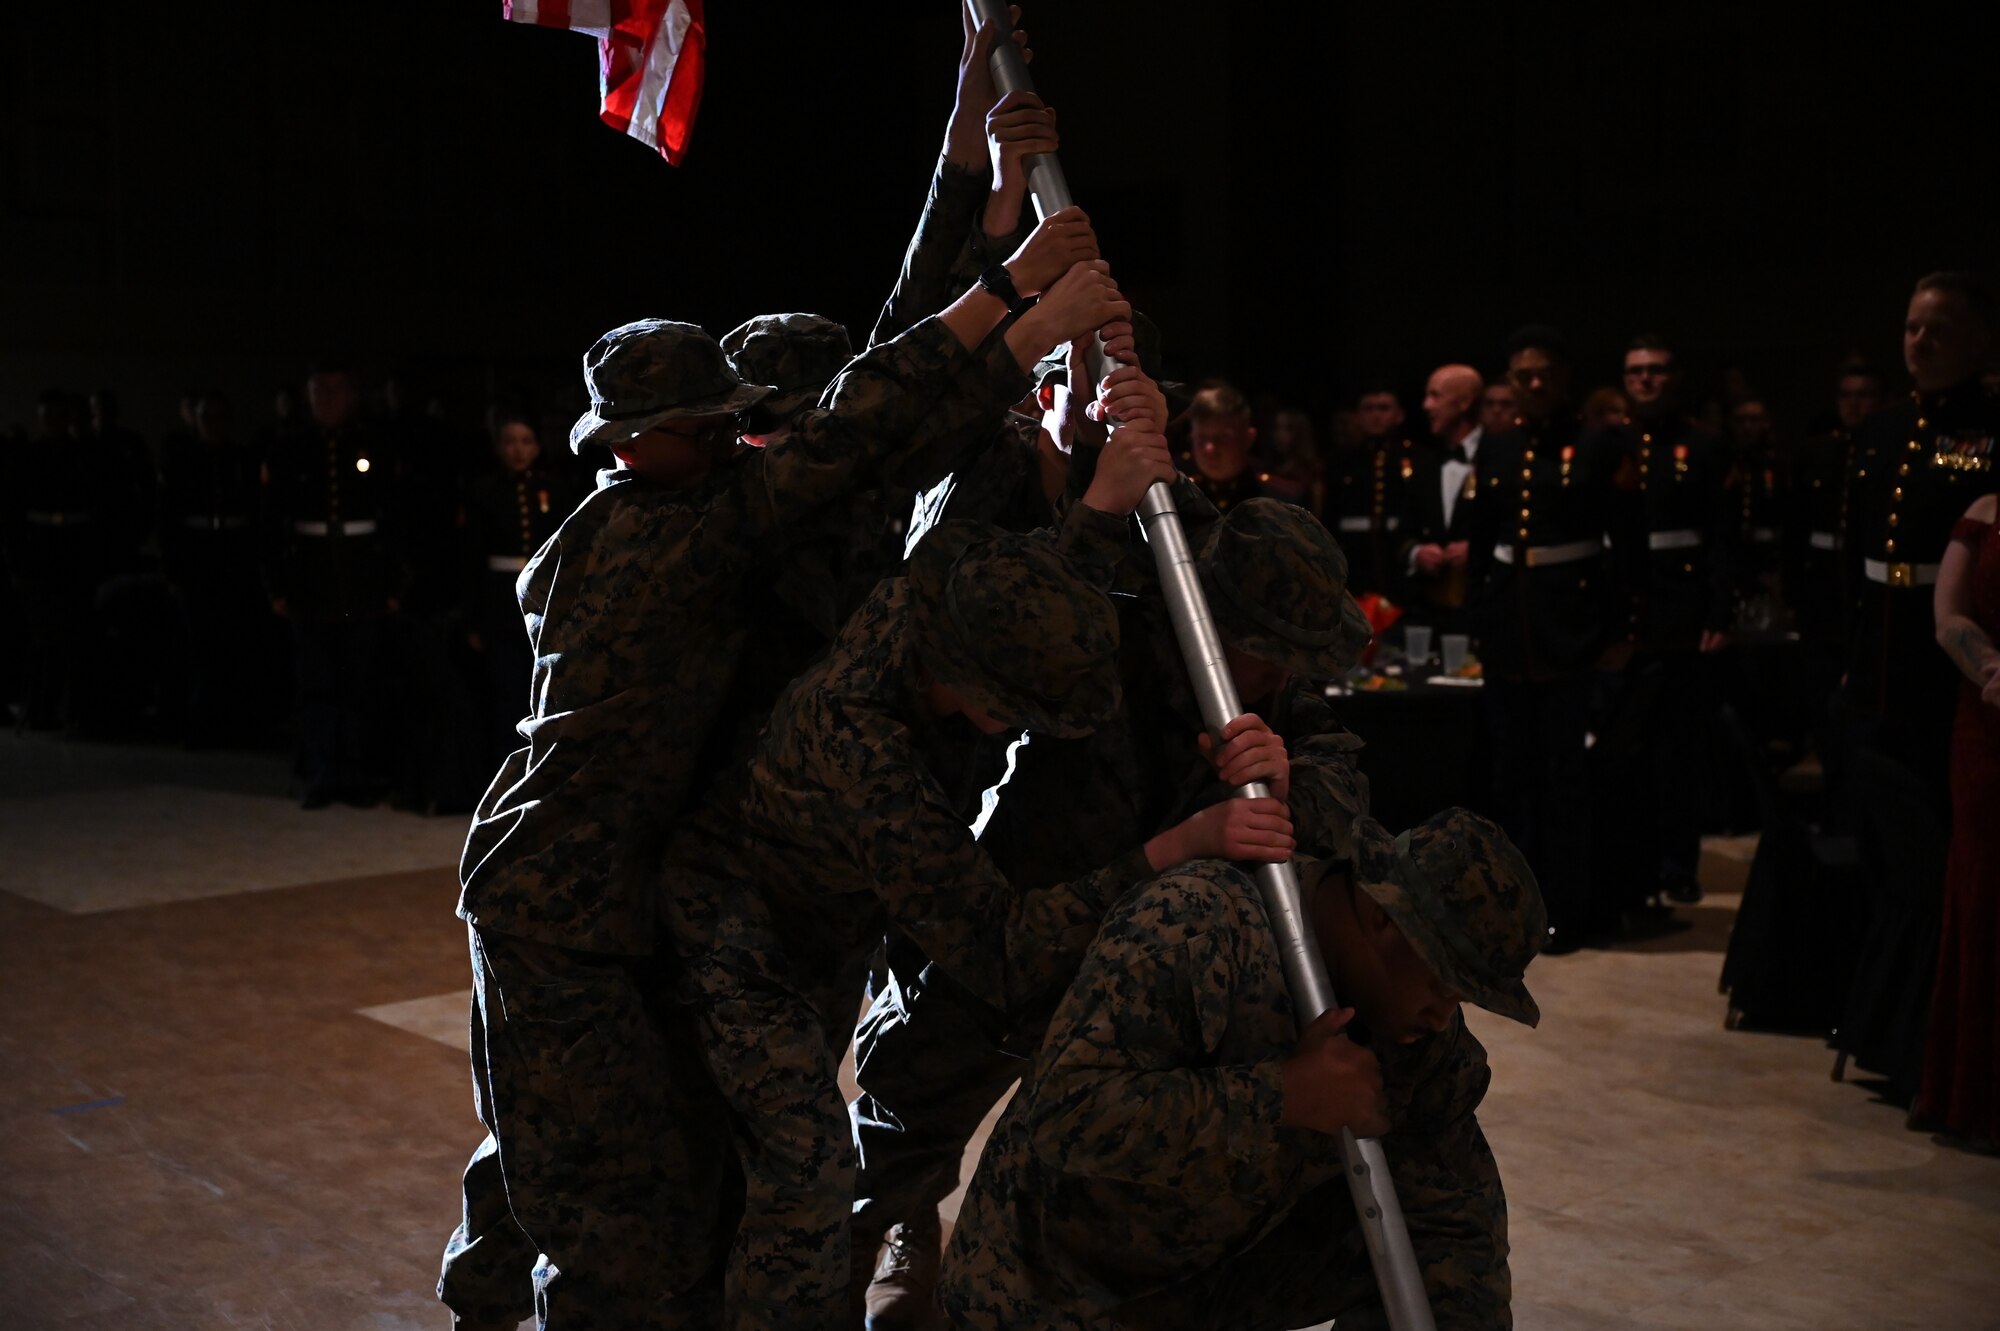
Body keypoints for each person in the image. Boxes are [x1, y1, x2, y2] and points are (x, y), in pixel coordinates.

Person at [437, 230, 1131, 1331]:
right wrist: (1017, 309)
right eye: (718, 427)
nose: (741, 443)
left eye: (741, 422)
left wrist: (973, 205)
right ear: (633, 443)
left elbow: (868, 416)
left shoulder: (713, 511)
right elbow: (854, 438)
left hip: (652, 895)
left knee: (645, 1165)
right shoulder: (670, 535)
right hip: (563, 902)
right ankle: (493, 1303)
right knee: (603, 1196)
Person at [852, 496, 1374, 1329]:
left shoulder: (1273, 693)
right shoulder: (1103, 637)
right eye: (1265, 651)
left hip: (1144, 960)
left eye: (1291, 660)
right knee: (901, 1115)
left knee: (1116, 1140)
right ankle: (898, 1225)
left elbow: (1347, 791)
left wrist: (1294, 786)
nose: (1279, 674)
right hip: (1020, 915)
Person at [940, 808, 1546, 1331]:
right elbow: (1066, 1112)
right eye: (1442, 982)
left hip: (1204, 1282)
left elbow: (1459, 1220)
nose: (1444, 1017)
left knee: (1429, 1255)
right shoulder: (1197, 921)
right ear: (1385, 917)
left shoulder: (1416, 1032)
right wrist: (1283, 1094)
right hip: (1053, 1285)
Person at [1465, 325, 1618, 951]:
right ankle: (1513, 908)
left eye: (1543, 375)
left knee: (1565, 782)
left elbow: (1621, 549)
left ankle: (1567, 908)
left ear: (1562, 380)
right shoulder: (1497, 449)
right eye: (1521, 375)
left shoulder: (1599, 446)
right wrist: (1478, 620)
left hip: (1568, 632)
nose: (1532, 384)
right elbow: (1480, 547)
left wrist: (1614, 632)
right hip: (1510, 633)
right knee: (1512, 778)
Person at [1840, 271, 2000, 802]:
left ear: (1977, 341)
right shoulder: (1882, 428)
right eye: (1911, 328)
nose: (1919, 342)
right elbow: (1854, 549)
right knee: (1876, 818)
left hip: (1951, 660)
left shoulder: (1992, 424)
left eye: (1938, 330)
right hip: (1877, 653)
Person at [1596, 334, 1734, 910]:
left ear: (1672, 378)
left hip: (1682, 616)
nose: (1645, 380)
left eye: (1655, 370)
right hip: (1625, 617)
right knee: (1624, 748)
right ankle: (1633, 863)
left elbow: (1724, 536)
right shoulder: (1608, 443)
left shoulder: (1704, 445)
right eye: (1635, 372)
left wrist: (1721, 609)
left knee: (1679, 752)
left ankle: (1679, 864)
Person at [1916, 491, 2000, 1150]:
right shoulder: (1987, 511)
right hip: (1988, 726)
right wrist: (1993, 668)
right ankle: (1972, 1091)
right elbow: (1949, 616)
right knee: (1983, 898)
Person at [459, 411, 582, 766]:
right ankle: (505, 765)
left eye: (526, 442)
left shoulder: (555, 488)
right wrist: (473, 619)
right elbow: (470, 561)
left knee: (545, 693)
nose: (518, 450)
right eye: (510, 442)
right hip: (498, 602)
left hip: (544, 601)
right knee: (504, 692)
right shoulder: (483, 492)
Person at [157, 389, 272, 744]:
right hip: (197, 556)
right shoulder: (183, 460)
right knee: (198, 641)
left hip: (235, 554)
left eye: (220, 417)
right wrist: (172, 567)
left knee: (236, 640)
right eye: (207, 417)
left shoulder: (244, 458)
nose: (214, 425)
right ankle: (200, 719)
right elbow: (167, 517)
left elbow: (259, 512)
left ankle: (235, 719)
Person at [1400, 364, 1485, 631]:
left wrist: (1478, 550)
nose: (1426, 405)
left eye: (1435, 396)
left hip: (1485, 609)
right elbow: (1402, 528)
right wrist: (1416, 553)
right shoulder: (1423, 462)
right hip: (1429, 612)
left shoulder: (1498, 455)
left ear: (1464, 402)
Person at [1326, 386, 1421, 597]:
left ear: (1400, 415)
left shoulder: (1417, 459)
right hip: (1354, 563)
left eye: (1384, 408)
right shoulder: (1341, 462)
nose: (1376, 415)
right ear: (1358, 416)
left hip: (1400, 563)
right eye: (1368, 409)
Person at [1181, 380, 1306, 515]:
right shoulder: (1178, 496)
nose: (1210, 449)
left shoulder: (1283, 499)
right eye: (1201, 439)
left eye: (1223, 439)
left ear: (1248, 439)